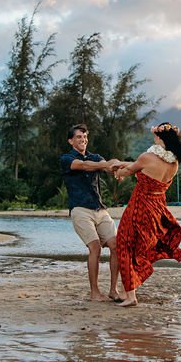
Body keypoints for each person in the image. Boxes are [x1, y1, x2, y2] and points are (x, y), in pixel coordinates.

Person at [112, 122, 181, 307]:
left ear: (159, 138)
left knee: (124, 246)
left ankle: (131, 295)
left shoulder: (147, 156)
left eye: (155, 136)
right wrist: (123, 165)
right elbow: (137, 166)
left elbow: (128, 171)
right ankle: (128, 290)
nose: (153, 139)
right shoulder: (174, 163)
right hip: (157, 209)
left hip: (139, 208)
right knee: (139, 247)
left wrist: (116, 169)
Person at [60, 123, 122, 302]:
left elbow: (108, 167)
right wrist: (105, 164)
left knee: (116, 246)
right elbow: (86, 166)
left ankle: (113, 290)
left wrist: (118, 166)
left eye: (85, 137)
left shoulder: (95, 157)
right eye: (79, 137)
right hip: (80, 210)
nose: (83, 140)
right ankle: (95, 292)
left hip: (100, 209)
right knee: (94, 248)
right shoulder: (66, 159)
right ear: (71, 141)